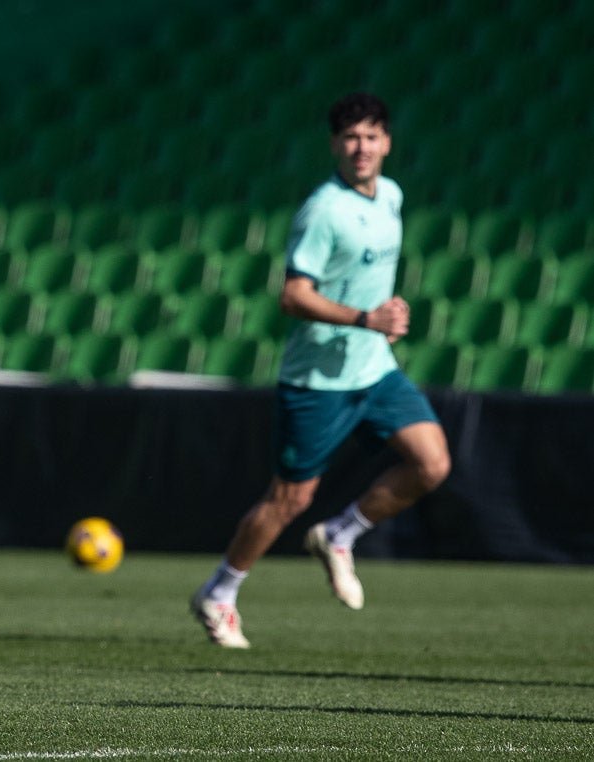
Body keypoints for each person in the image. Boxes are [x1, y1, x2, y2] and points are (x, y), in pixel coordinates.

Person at [190, 93, 451, 648]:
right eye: (350, 137)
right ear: (335, 144)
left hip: (374, 370)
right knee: (289, 500)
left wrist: (387, 311)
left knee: (431, 464)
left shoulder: (392, 196)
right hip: (317, 382)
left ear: (387, 143)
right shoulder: (324, 211)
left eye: (371, 136)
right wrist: (366, 316)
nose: (361, 147)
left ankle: (341, 534)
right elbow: (292, 296)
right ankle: (220, 591)